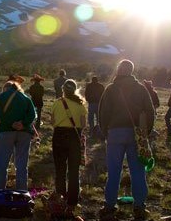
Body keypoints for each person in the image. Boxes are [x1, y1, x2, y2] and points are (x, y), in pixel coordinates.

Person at [98, 59, 155, 221]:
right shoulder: (141, 89)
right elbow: (150, 112)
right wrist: (145, 133)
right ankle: (139, 206)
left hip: (115, 133)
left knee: (114, 172)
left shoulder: (111, 89)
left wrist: (106, 132)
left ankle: (109, 205)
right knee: (138, 172)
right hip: (136, 135)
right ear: (131, 71)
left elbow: (103, 114)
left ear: (119, 70)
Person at [51, 79, 87, 218]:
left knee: (60, 168)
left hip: (59, 135)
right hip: (74, 136)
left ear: (63, 90)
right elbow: (83, 124)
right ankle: (72, 201)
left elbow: (53, 122)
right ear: (75, 89)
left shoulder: (56, 102)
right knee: (74, 170)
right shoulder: (80, 104)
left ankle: (60, 197)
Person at [0, 80, 36, 191]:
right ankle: (22, 191)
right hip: (24, 133)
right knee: (22, 164)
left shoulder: (1, 97)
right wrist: (23, 124)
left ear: (5, 88)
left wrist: (10, 123)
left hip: (6, 132)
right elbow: (33, 114)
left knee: (2, 163)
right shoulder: (25, 98)